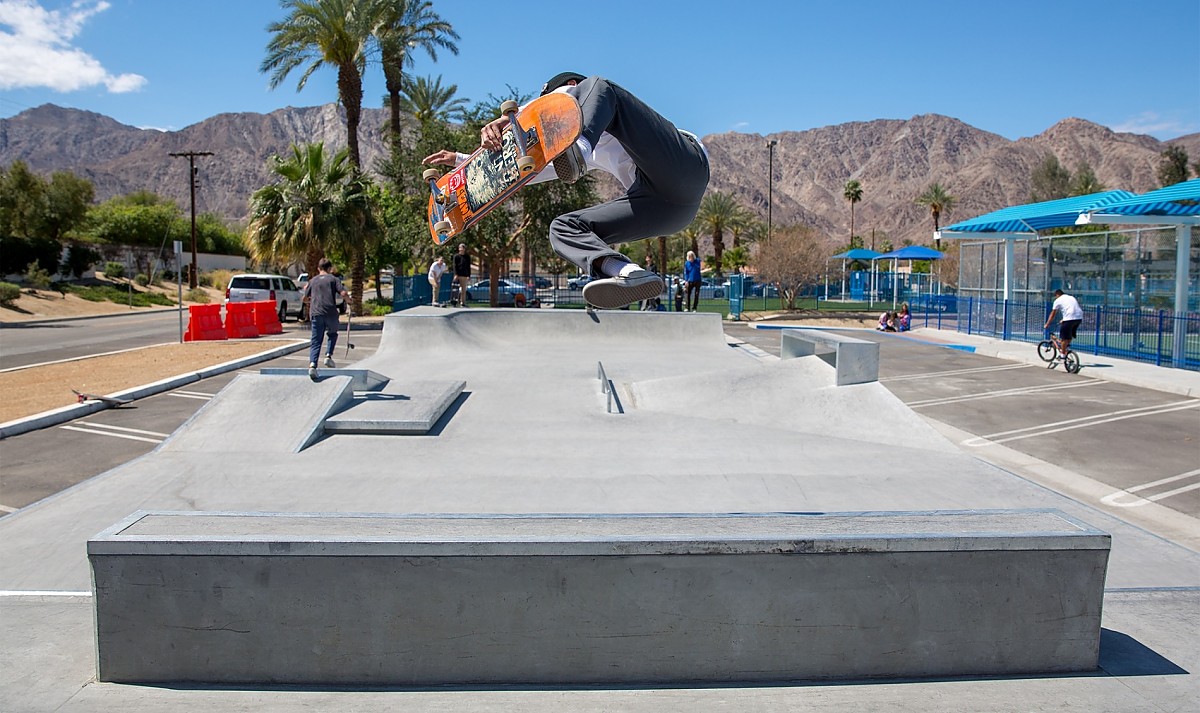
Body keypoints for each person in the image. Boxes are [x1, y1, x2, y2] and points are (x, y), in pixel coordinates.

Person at [424, 72, 710, 310]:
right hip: (666, 210)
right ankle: (627, 273)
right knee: (562, 228)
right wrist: (465, 164)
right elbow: (528, 172)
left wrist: (521, 114)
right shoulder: (578, 152)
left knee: (601, 87)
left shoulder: (591, 92)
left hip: (685, 166)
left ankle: (579, 145)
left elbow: (576, 95)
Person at [301, 258, 349, 381]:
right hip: (331, 312)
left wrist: (311, 301)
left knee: (316, 340)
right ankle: (328, 356)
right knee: (332, 334)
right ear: (330, 268)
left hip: (316, 313)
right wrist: (350, 301)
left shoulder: (312, 281)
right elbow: (343, 293)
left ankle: (312, 365)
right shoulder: (334, 279)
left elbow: (304, 298)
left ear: (318, 268)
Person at [1045, 288, 1083, 356]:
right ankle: (1066, 348)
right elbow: (1071, 308)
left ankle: (1062, 355)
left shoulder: (1058, 300)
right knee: (1069, 336)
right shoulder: (1071, 297)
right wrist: (1063, 319)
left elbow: (1053, 314)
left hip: (1069, 318)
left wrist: (1047, 324)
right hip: (1079, 318)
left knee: (1063, 338)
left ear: (1057, 295)